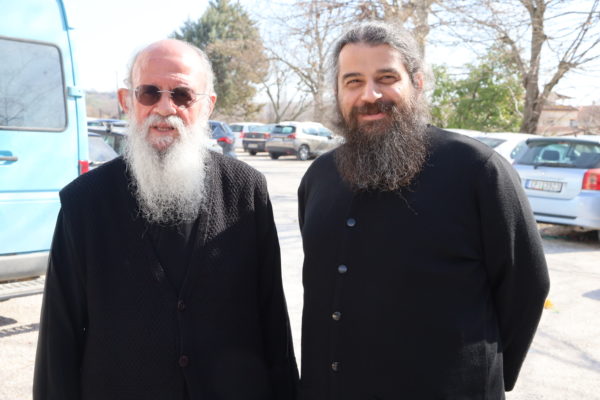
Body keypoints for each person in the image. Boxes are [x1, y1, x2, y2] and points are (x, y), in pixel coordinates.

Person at [34, 39, 298, 400]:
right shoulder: (84, 202)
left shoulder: (245, 190)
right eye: (149, 93)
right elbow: (59, 340)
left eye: (182, 95)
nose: (164, 107)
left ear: (207, 105)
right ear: (127, 101)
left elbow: (273, 320)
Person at [298, 21, 550, 400]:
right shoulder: (318, 176)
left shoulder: (476, 169)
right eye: (353, 81)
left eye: (386, 78)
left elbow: (525, 286)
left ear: (416, 83)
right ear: (338, 92)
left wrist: (487, 374)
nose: (370, 94)